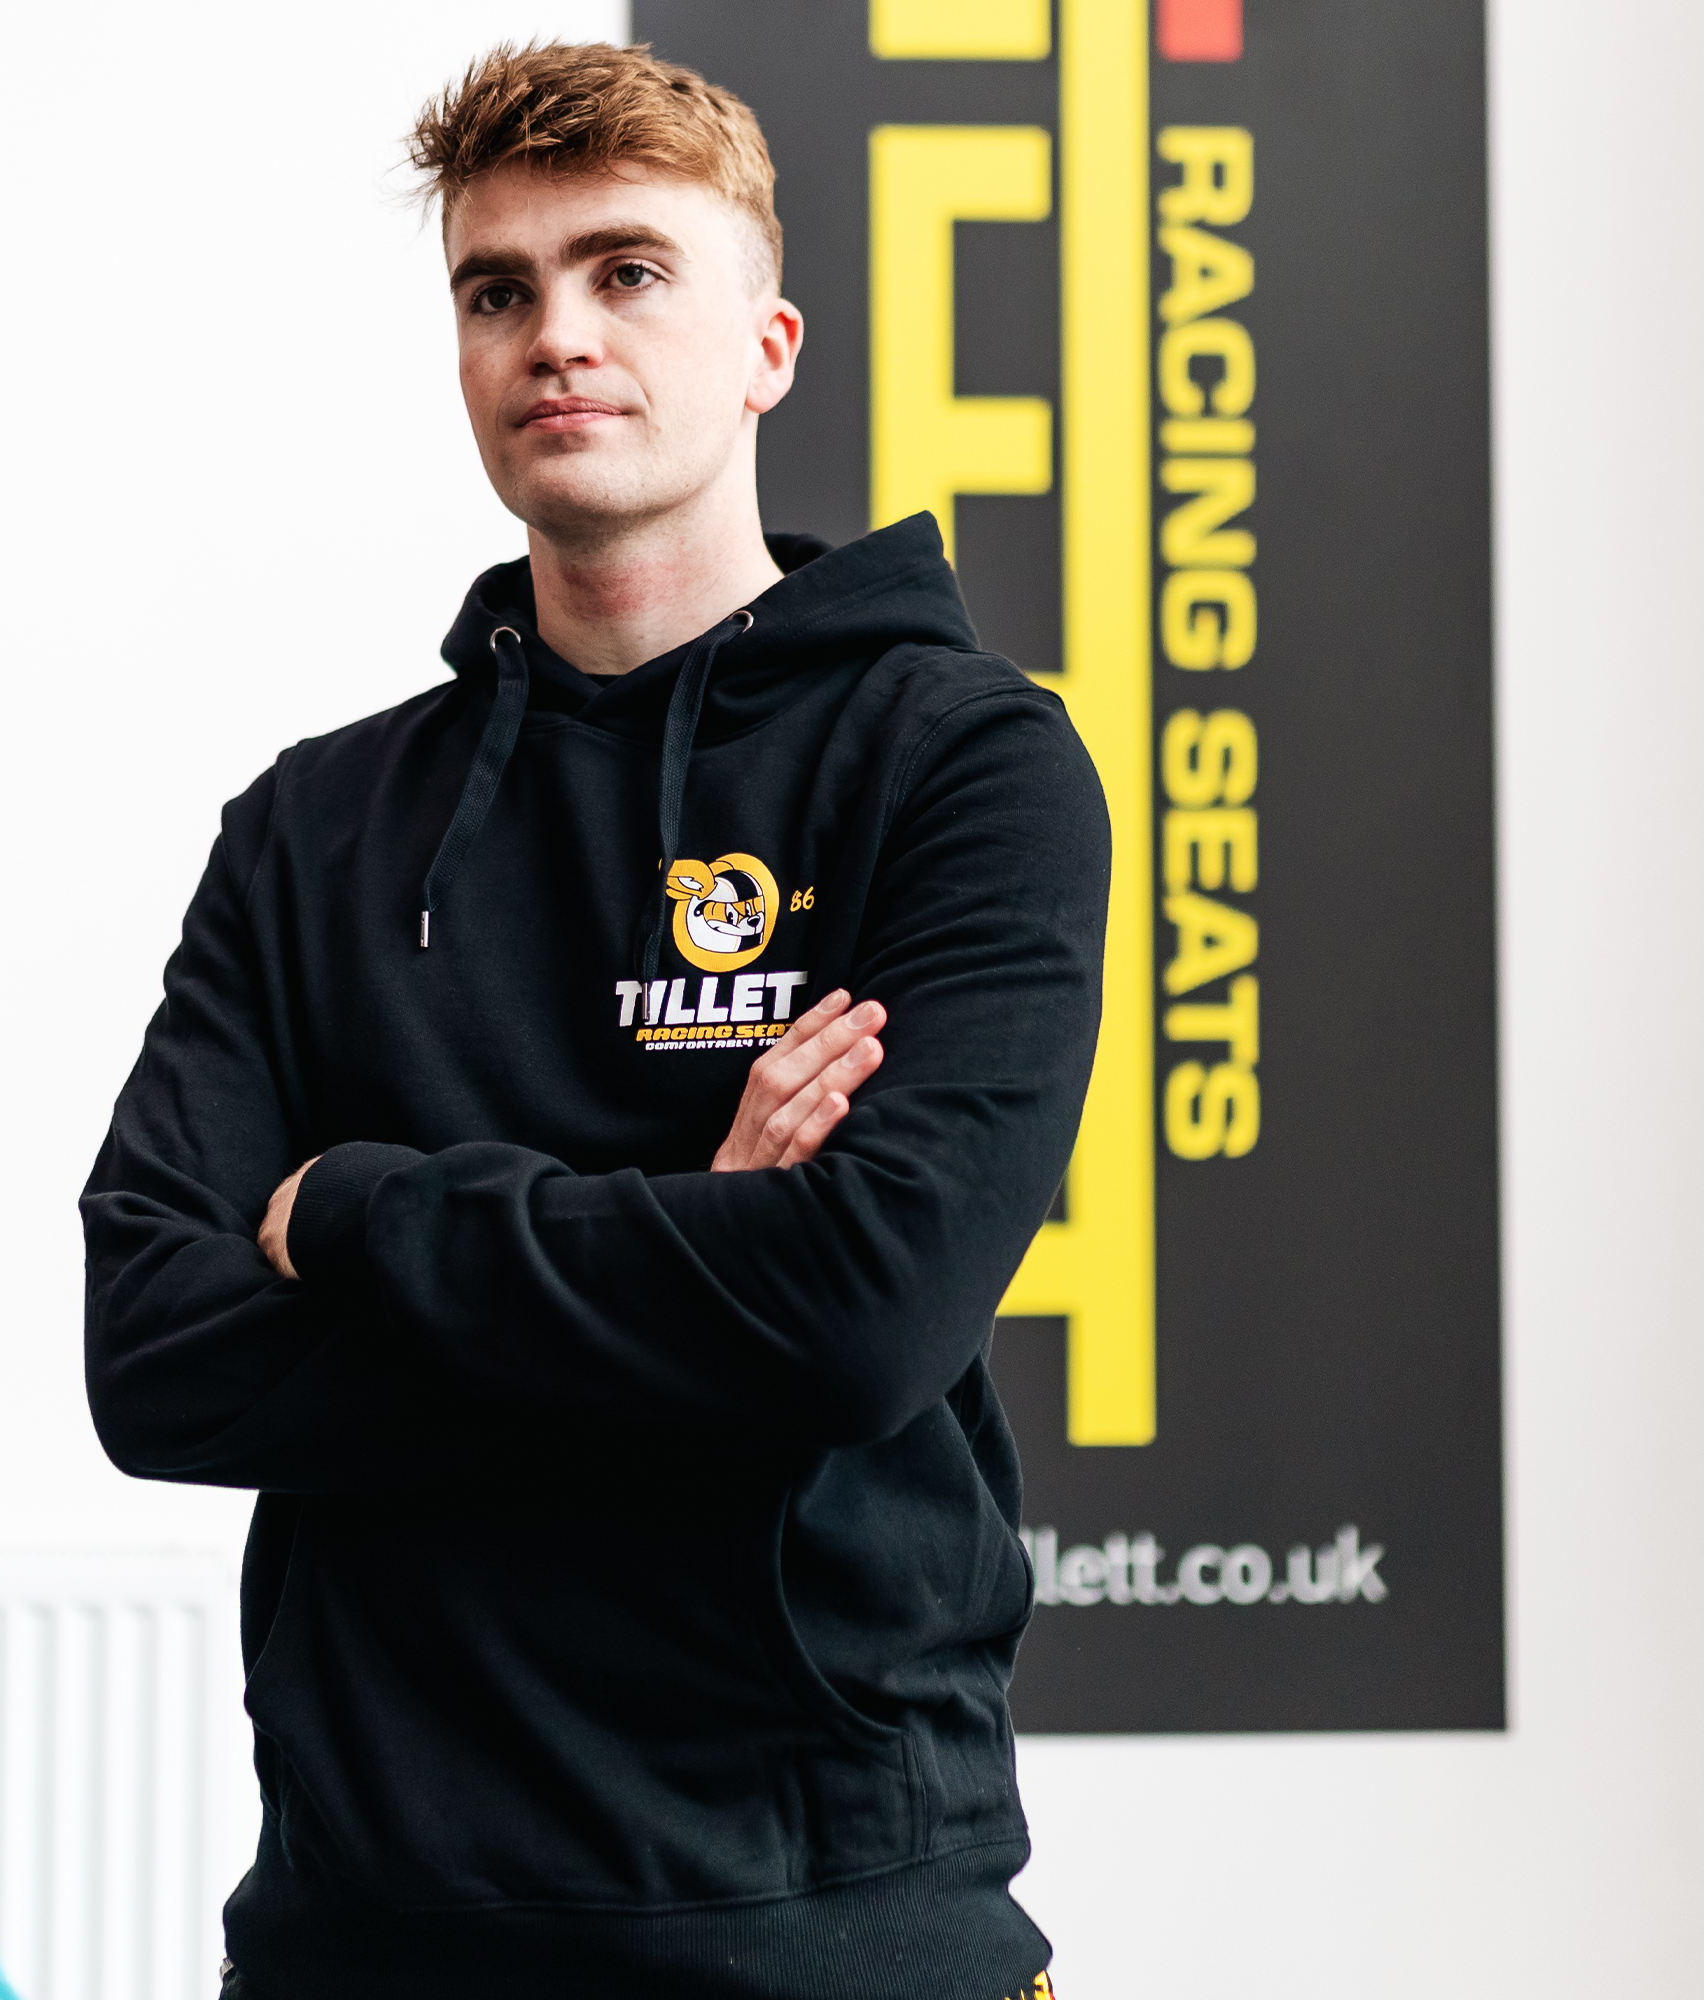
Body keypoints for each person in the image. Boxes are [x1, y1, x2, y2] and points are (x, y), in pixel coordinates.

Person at [81, 39, 1105, 2000]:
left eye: (627, 270)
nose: (556, 333)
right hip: (368, 1943)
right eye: (499, 289)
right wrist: (701, 1243)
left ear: (766, 346)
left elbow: (861, 1316)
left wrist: (363, 1213)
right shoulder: (312, 829)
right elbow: (156, 1360)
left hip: (830, 1938)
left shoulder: (960, 765)